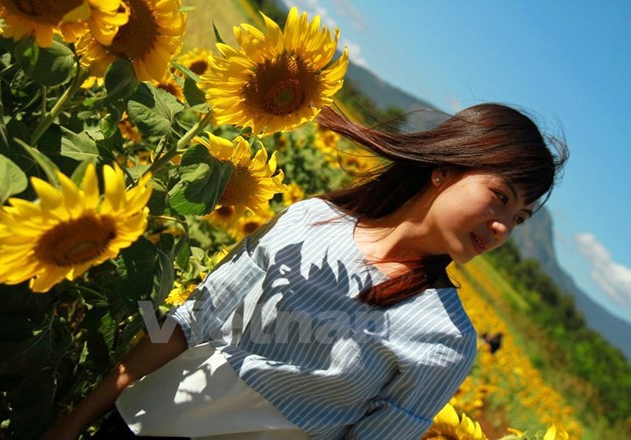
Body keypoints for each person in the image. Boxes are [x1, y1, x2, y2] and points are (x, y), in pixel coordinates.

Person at [44, 103, 567, 440]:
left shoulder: (444, 341)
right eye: (500, 197)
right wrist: (73, 422)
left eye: (517, 219)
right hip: (135, 424)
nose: (502, 227)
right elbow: (186, 325)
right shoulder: (309, 220)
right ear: (444, 168)